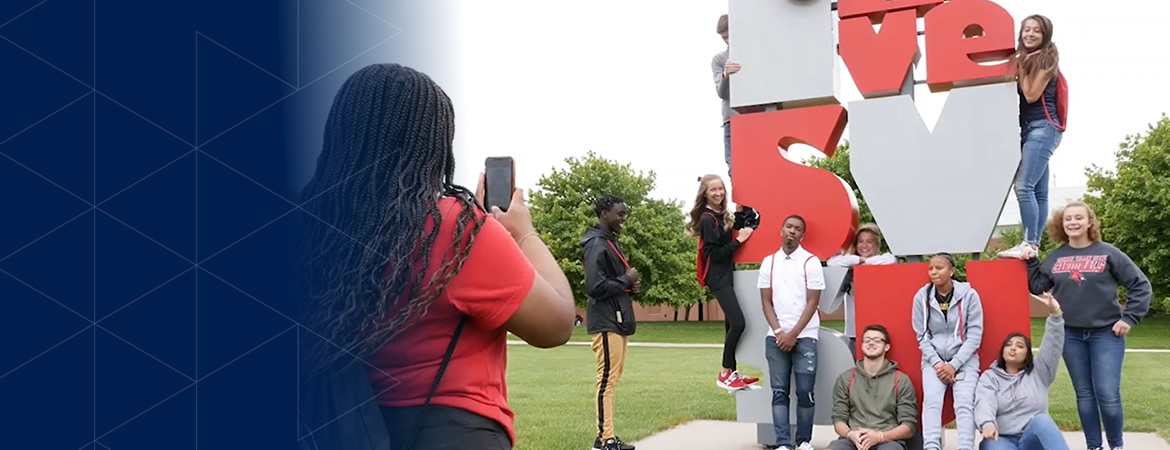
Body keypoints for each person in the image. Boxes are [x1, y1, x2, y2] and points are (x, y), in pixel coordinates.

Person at [299, 64, 577, 450]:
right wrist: (522, 233)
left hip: (343, 431)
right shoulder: (457, 231)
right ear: (434, 145)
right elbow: (557, 325)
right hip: (452, 433)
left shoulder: (308, 229)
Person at [1003, 200, 1152, 450]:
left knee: (1107, 394)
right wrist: (1031, 262)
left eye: (1078, 218)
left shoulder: (1108, 253)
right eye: (1068, 219)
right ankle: (1094, 446)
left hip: (1106, 334)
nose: (1073, 222)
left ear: (1090, 222)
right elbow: (1038, 286)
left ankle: (1116, 445)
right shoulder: (1056, 256)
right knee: (1084, 395)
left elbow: (1140, 285)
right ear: (1062, 224)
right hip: (1070, 334)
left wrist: (1129, 318)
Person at [998, 14, 1064, 259]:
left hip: (1043, 128)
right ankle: (1033, 244)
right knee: (1038, 192)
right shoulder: (1029, 58)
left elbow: (1031, 94)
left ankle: (1030, 243)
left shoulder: (1046, 59)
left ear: (1045, 35)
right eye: (1027, 29)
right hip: (1031, 129)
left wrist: (1022, 67)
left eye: (1037, 30)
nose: (1030, 34)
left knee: (1023, 186)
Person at [757, 215, 823, 450]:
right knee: (778, 392)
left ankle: (803, 441)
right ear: (781, 230)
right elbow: (766, 301)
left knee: (805, 392)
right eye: (789, 227)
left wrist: (793, 334)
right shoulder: (769, 262)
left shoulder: (811, 262)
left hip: (805, 336)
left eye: (797, 229)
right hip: (775, 337)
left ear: (802, 235)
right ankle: (783, 443)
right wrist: (778, 331)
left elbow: (813, 302)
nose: (792, 231)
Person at [686, 174, 758, 390]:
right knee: (738, 323)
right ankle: (725, 372)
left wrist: (741, 212)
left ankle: (732, 373)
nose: (718, 193)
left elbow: (739, 228)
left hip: (727, 274)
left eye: (721, 189)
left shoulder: (721, 215)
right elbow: (714, 254)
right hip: (717, 277)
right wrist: (739, 241)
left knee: (730, 324)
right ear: (705, 194)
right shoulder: (708, 219)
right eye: (713, 190)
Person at [974, 292, 1069, 450]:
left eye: (1019, 346)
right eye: (1009, 345)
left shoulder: (1039, 372)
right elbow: (984, 402)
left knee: (1043, 421)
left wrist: (1055, 314)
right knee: (990, 445)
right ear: (1002, 351)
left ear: (1027, 354)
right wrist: (987, 423)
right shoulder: (990, 377)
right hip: (1002, 439)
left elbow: (1052, 345)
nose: (1013, 348)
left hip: (1032, 439)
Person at [582, 194, 639, 450]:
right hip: (606, 319)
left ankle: (605, 436)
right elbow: (594, 286)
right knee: (606, 380)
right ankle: (605, 440)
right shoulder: (597, 244)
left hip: (616, 317)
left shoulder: (608, 241)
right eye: (620, 213)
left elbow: (610, 281)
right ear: (605, 214)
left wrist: (628, 286)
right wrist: (625, 280)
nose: (623, 218)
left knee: (612, 378)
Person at [911, 253, 984, 450]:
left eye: (939, 268)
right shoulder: (921, 297)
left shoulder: (969, 295)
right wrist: (938, 364)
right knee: (931, 402)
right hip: (933, 361)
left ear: (951, 271)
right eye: (931, 268)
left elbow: (975, 335)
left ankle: (965, 447)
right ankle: (931, 447)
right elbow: (921, 336)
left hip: (964, 360)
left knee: (964, 403)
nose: (933, 272)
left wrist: (954, 365)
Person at [828, 324, 919, 450]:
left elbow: (909, 427)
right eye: (867, 340)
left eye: (877, 340)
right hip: (853, 439)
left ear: (886, 347)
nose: (871, 343)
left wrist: (880, 436)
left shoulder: (900, 380)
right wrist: (850, 434)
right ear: (861, 345)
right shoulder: (846, 379)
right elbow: (839, 419)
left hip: (887, 440)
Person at [827, 224, 898, 355]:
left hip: (878, 326)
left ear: (876, 245)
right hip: (853, 329)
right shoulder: (849, 263)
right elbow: (831, 262)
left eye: (869, 241)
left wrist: (868, 262)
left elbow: (891, 259)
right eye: (860, 241)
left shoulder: (881, 261)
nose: (864, 245)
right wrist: (859, 259)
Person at [712, 13, 739, 179]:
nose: (728, 41)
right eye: (724, 38)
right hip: (731, 119)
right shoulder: (719, 59)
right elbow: (721, 93)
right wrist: (726, 75)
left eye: (730, 36)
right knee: (734, 167)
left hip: (757, 116)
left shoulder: (755, 51)